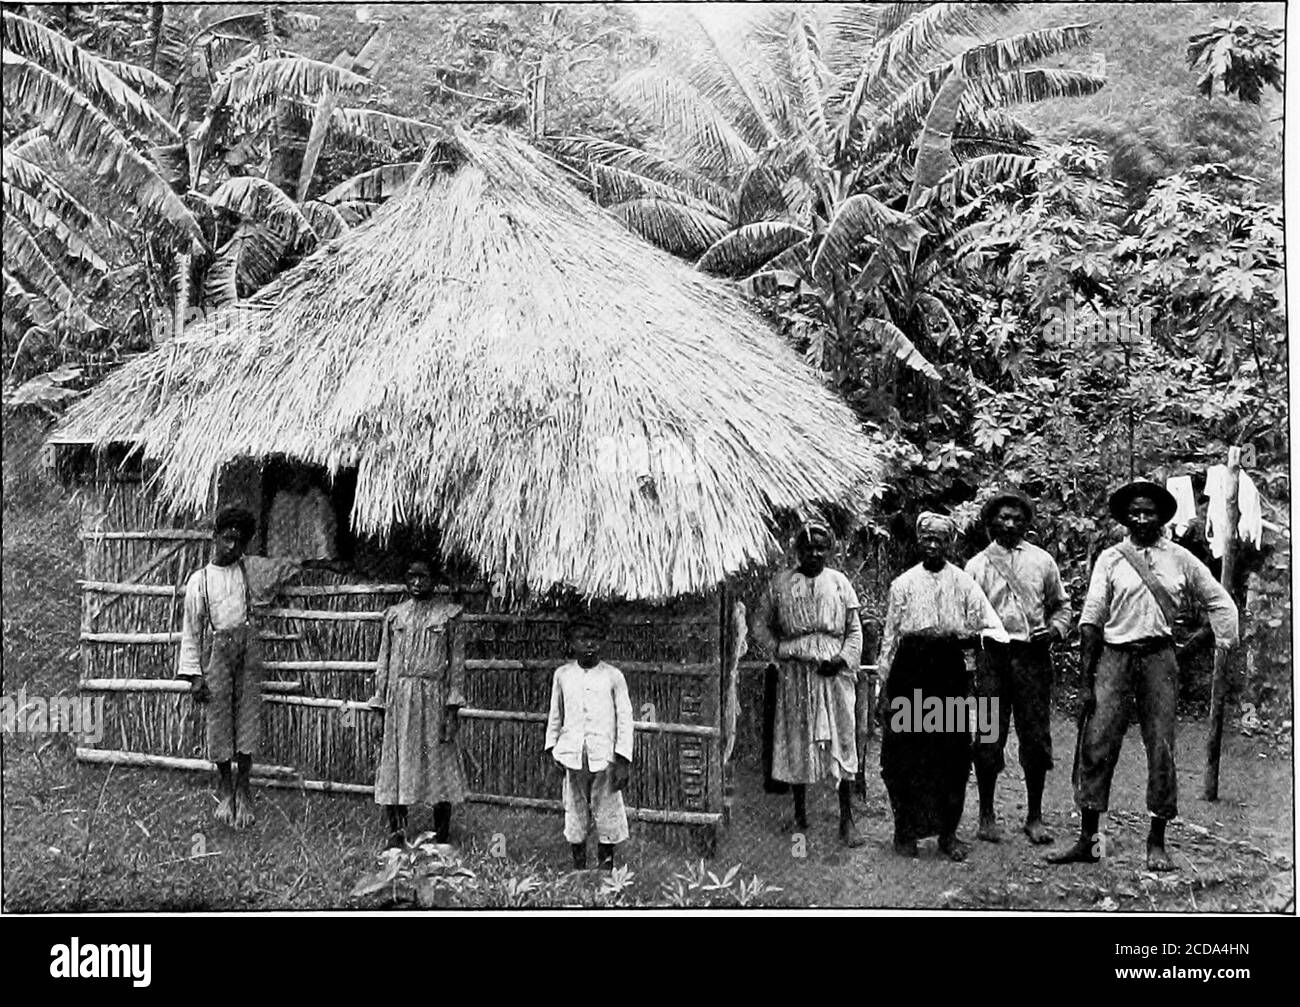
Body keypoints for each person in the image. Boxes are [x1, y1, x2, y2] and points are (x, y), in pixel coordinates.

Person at [1048, 480, 1238, 872]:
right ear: (1125, 517)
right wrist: (1086, 683)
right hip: (1115, 658)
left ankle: (1157, 842)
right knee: (1097, 743)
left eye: (1148, 511)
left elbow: (1219, 602)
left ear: (1161, 516)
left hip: (1159, 660)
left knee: (1162, 747)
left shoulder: (1181, 559)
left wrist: (1211, 643)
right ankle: (1089, 840)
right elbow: (1091, 621)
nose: (1141, 518)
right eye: (1134, 512)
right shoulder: (1111, 558)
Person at [877, 512, 1009, 861]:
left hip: (948, 673)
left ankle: (948, 835)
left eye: (939, 539)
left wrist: (963, 636)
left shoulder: (964, 583)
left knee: (950, 756)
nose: (933, 545)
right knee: (904, 756)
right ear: (918, 542)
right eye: (927, 539)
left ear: (949, 543)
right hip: (909, 672)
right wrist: (883, 689)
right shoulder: (902, 584)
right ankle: (905, 832)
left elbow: (995, 630)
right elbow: (890, 639)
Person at [178, 506, 301, 829]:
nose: (232, 547)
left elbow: (286, 568)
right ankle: (225, 788)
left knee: (247, 717)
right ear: (215, 537)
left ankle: (244, 787)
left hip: (248, 649)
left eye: (240, 541)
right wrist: (194, 676)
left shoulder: (249, 570)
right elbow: (191, 631)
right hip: (218, 651)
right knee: (219, 719)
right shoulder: (199, 581)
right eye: (227, 539)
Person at [964, 489, 1073, 845]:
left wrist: (1055, 630)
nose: (1009, 523)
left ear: (1028, 522)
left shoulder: (1043, 562)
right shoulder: (977, 565)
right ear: (990, 521)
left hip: (1033, 658)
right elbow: (965, 615)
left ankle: (1035, 816)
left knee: (1035, 738)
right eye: (1002, 517)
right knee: (989, 736)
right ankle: (986, 815)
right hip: (992, 658)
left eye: (1017, 517)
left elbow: (1062, 606)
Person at [752, 521, 866, 847]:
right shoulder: (782, 584)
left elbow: (854, 630)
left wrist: (842, 659)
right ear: (797, 551)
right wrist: (779, 650)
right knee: (797, 739)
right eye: (808, 547)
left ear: (829, 550)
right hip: (796, 672)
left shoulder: (839, 582)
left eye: (821, 547)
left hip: (834, 672)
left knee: (843, 739)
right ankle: (800, 815)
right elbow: (760, 624)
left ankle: (847, 819)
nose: (814, 553)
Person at [366, 557, 468, 849]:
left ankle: (441, 837)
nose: (417, 583)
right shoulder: (394, 616)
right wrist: (379, 706)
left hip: (434, 698)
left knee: (439, 762)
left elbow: (457, 665)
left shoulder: (448, 616)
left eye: (423, 577)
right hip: (399, 699)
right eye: (411, 577)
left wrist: (452, 707)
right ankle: (397, 835)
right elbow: (383, 662)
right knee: (395, 763)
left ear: (435, 581)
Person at [544, 610, 633, 871]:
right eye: (583, 638)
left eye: (595, 638)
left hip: (604, 757)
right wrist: (553, 749)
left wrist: (623, 760)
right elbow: (555, 714)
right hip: (572, 755)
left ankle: (607, 871)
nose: (589, 644)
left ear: (603, 641)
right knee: (575, 811)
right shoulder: (562, 675)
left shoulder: (613, 676)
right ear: (571, 642)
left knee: (607, 812)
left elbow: (625, 719)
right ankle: (579, 870)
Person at [266, 468, 338, 561]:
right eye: (295, 472)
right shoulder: (281, 502)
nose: (297, 477)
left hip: (312, 563)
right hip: (285, 565)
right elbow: (275, 543)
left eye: (302, 472)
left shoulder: (317, 501)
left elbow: (324, 541)